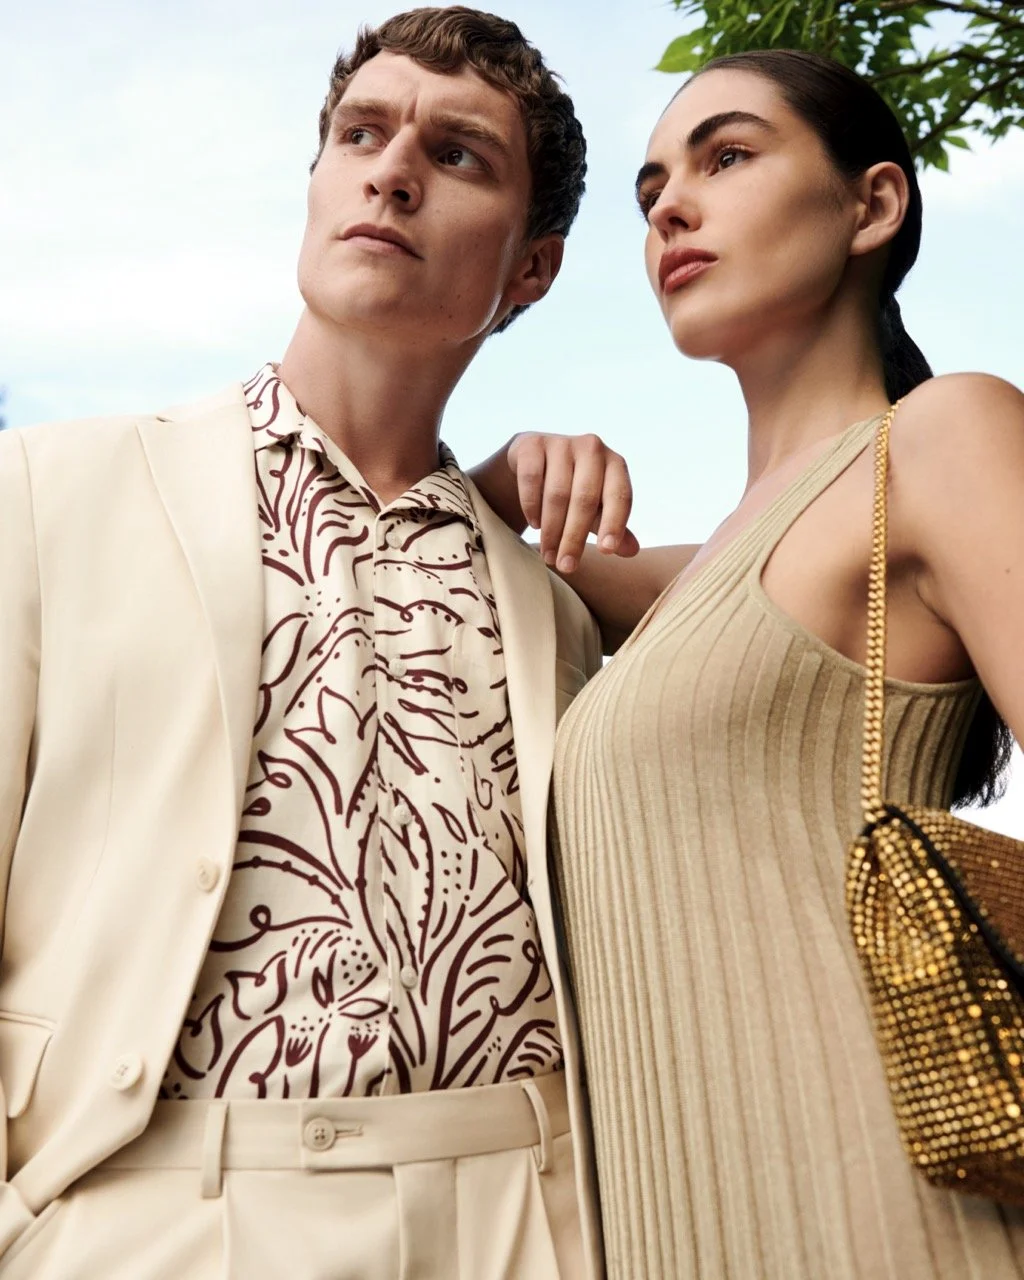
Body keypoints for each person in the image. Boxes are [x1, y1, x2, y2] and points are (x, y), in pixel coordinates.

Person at [0, 8, 611, 1277]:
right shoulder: (50, 492)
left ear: (532, 269)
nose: (393, 171)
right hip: (159, 1205)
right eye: (361, 134)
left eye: (458, 155)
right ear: (319, 180)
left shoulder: (550, 604)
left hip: (527, 1212)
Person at [474, 48, 1024, 1280]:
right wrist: (504, 472)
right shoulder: (679, 585)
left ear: (871, 206)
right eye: (650, 190)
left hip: (897, 1224)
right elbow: (418, 544)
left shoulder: (942, 438)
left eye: (725, 157)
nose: (670, 206)